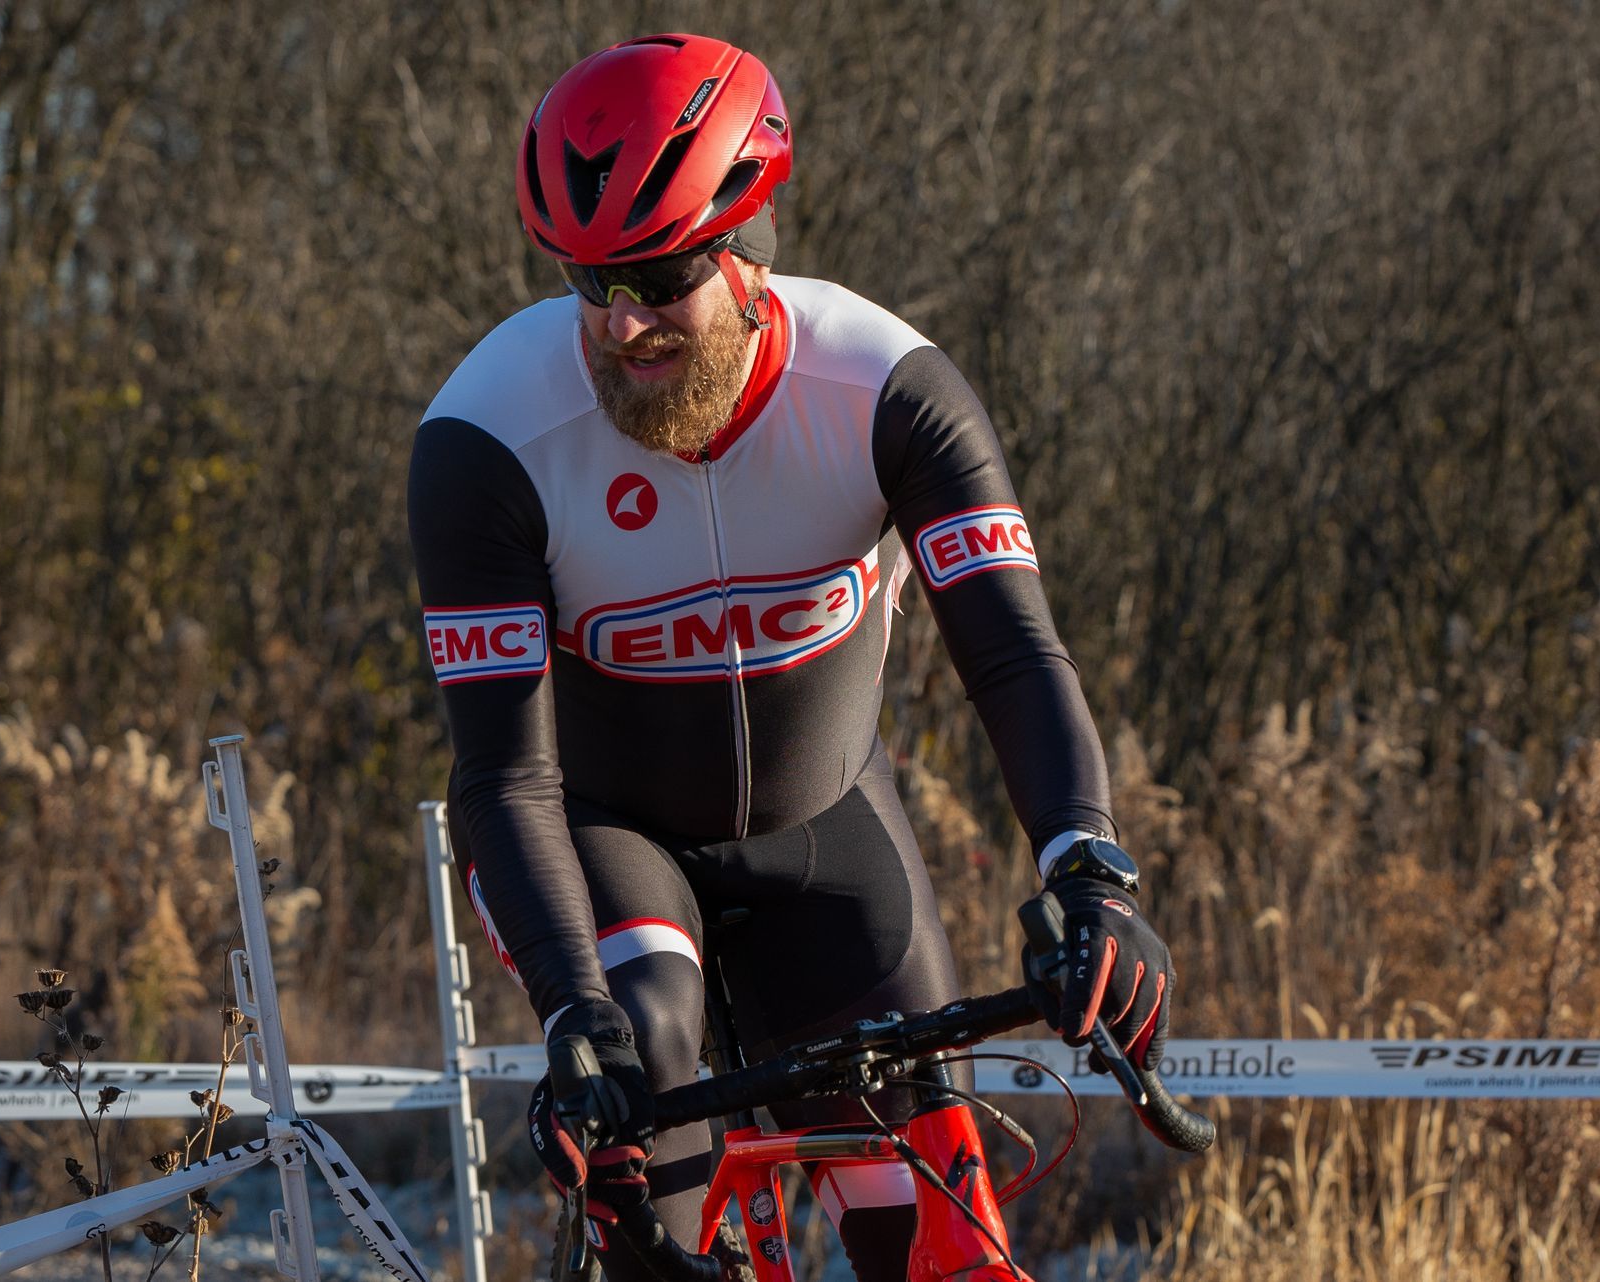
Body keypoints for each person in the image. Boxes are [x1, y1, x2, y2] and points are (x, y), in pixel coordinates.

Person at [407, 32, 1174, 1282]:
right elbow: (506, 777)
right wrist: (570, 1011)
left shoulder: (884, 386)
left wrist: (1092, 872)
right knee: (646, 1055)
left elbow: (1016, 656)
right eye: (591, 279)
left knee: (930, 1212)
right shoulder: (489, 434)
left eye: (659, 275)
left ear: (749, 252)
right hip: (596, 826)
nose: (624, 322)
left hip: (824, 822)